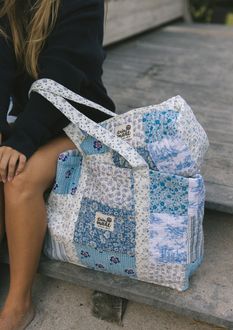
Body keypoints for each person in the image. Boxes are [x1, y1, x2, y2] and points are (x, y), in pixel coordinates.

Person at [0, 0, 116, 328]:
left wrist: (20, 141)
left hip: (81, 121)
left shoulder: (84, 3)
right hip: (33, 119)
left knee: (20, 179)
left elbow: (63, 78)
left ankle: (19, 305)